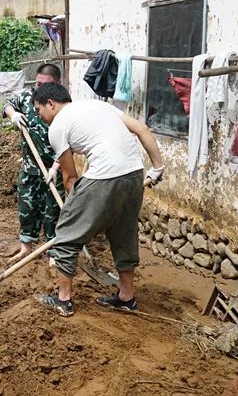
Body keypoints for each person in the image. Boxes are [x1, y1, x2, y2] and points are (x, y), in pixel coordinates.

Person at [31, 83, 165, 317]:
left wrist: (75, 210)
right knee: (123, 233)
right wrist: (157, 167)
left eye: (39, 110)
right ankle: (126, 297)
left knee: (65, 235)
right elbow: (143, 129)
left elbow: (70, 176)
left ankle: (63, 300)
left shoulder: (58, 126)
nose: (40, 117)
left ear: (50, 103)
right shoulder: (100, 106)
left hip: (105, 176)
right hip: (134, 174)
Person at [2, 64, 65, 259]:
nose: (39, 89)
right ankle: (26, 247)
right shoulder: (26, 98)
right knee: (27, 209)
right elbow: (7, 105)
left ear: (57, 84)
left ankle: (53, 250)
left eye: (45, 85)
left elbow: (69, 144)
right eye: (37, 83)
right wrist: (13, 115)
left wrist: (56, 167)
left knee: (53, 210)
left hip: (55, 168)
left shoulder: (63, 105)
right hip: (30, 168)